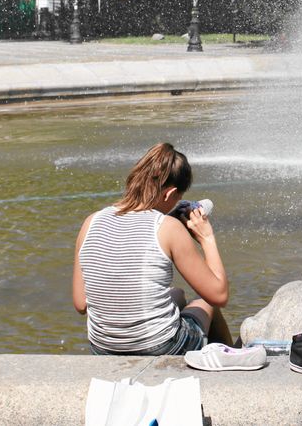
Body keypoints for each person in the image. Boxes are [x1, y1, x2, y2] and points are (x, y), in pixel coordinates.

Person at [72, 142, 232, 355]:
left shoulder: (91, 222)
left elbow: (81, 304)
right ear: (169, 194)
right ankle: (231, 362)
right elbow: (219, 295)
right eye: (178, 198)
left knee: (177, 293)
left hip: (103, 348)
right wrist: (206, 238)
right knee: (206, 303)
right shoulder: (168, 228)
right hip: (160, 346)